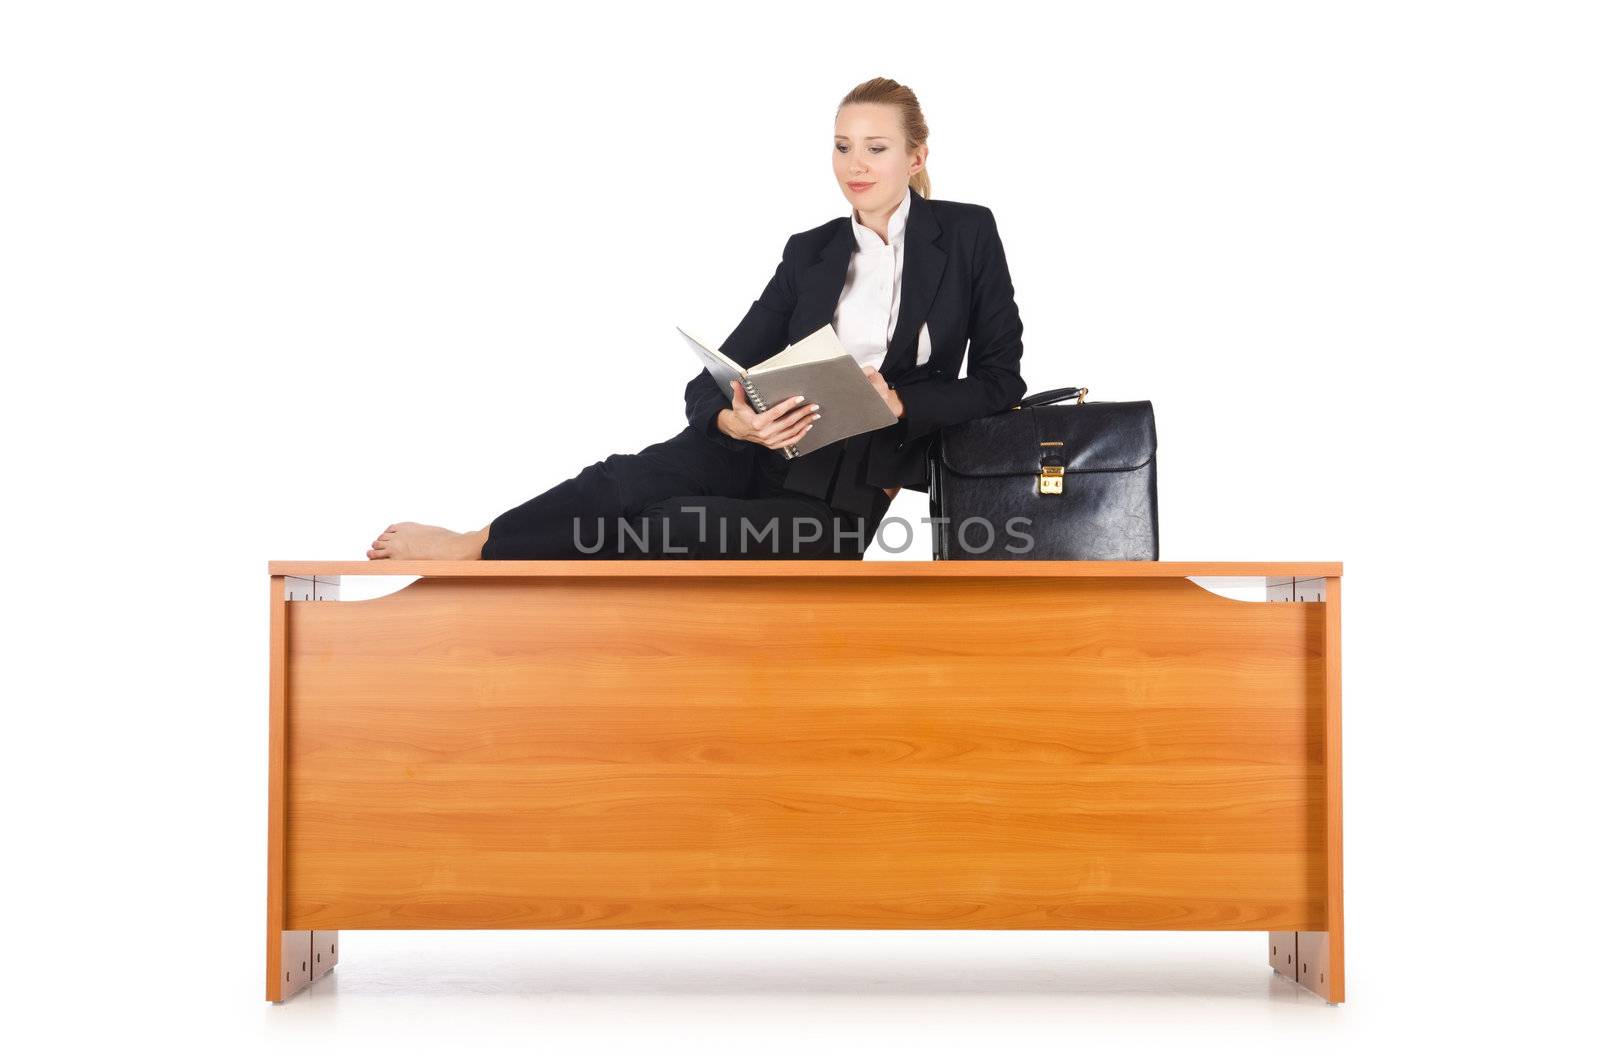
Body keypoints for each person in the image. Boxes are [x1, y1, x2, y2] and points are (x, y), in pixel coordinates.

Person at [366, 77, 1026, 562]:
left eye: (876, 148)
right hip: (754, 447)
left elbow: (1000, 382)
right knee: (616, 481)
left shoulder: (967, 236)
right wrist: (734, 418)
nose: (855, 164)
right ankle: (475, 544)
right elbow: (713, 380)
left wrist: (899, 398)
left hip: (841, 489)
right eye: (842, 146)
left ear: (915, 157)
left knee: (658, 524)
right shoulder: (812, 251)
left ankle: (485, 559)